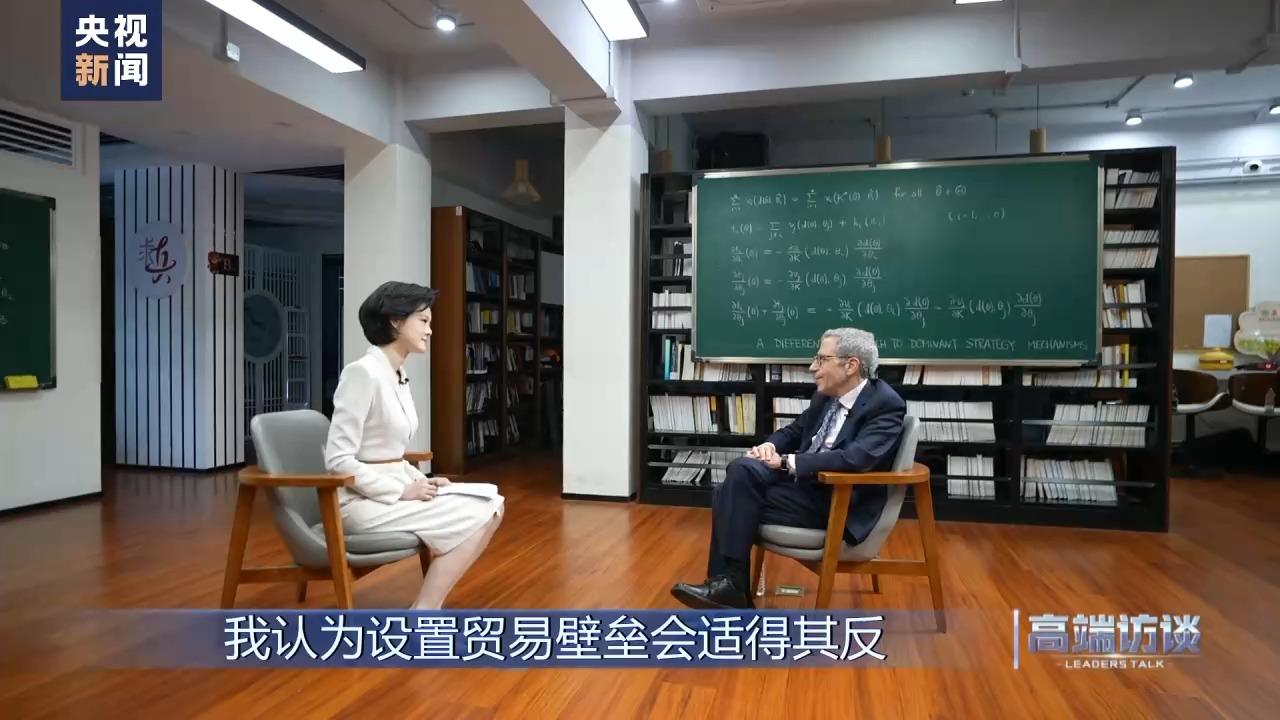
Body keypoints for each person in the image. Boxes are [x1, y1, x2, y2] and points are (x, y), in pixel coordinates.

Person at [670, 327, 905, 610]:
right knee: (741, 471)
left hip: (837, 501)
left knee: (727, 495)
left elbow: (857, 458)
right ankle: (729, 587)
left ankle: (731, 589)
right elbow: (794, 431)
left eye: (822, 359)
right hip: (803, 487)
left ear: (851, 365)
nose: (812, 367)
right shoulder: (826, 396)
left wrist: (787, 462)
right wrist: (769, 446)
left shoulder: (886, 404)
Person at [325, 280, 504, 610]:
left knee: (492, 502)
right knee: (484, 509)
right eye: (423, 321)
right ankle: (424, 611)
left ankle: (425, 608)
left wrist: (422, 480)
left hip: (393, 490)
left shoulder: (398, 374)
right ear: (395, 321)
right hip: (360, 502)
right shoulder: (362, 373)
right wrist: (401, 491)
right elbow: (338, 460)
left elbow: (389, 455)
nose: (430, 330)